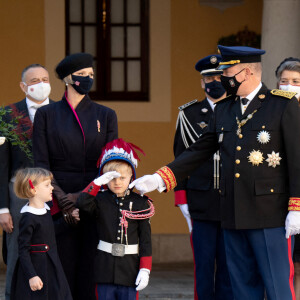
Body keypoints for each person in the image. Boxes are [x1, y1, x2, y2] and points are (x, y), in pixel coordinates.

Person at [130, 45, 300, 300]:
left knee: (277, 289)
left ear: (245, 73)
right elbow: (198, 151)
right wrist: (159, 178)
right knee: (242, 288)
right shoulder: (224, 109)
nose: (222, 79)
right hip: (232, 214)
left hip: (271, 215)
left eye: (227, 73)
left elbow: (297, 160)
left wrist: (296, 207)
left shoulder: (282, 106)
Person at [33, 52, 118, 300]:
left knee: (91, 269)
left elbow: (110, 165)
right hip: (58, 201)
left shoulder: (106, 114)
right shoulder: (46, 115)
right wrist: (64, 200)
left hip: (94, 198)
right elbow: (41, 163)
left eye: (91, 75)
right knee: (62, 267)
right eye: (83, 75)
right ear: (69, 78)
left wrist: (81, 198)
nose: (88, 79)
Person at [174, 54, 232, 300]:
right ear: (201, 82)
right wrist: (181, 198)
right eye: (209, 77)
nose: (214, 81)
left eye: (219, 76)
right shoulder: (189, 113)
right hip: (200, 200)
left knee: (231, 267)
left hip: (233, 199)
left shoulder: (239, 109)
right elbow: (180, 157)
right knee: (204, 265)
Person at [72, 138, 153, 300]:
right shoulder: (100, 200)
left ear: (132, 176)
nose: (117, 182)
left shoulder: (141, 203)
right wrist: (96, 184)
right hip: (104, 269)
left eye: (122, 178)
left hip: (130, 270)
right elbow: (82, 203)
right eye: (112, 178)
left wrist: (145, 269)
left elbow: (145, 240)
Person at [0, 64, 52, 300]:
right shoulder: (7, 115)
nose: (40, 84)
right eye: (34, 80)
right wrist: (3, 208)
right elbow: (1, 165)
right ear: (23, 86)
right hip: (18, 191)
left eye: (44, 79)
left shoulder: (61, 112)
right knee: (16, 251)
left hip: (53, 190)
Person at [10, 167, 72, 300]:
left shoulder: (45, 209)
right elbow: (23, 250)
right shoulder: (28, 217)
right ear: (33, 189)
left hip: (52, 266)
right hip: (37, 269)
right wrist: (32, 275)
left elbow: (49, 231)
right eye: (47, 185)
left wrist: (68, 220)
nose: (52, 188)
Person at [276, 57, 300, 300]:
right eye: (284, 81)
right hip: (284, 199)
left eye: (295, 81)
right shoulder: (271, 112)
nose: (289, 85)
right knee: (285, 264)